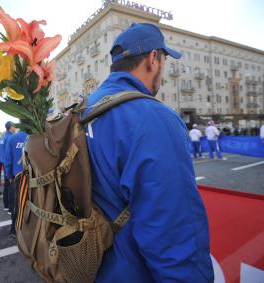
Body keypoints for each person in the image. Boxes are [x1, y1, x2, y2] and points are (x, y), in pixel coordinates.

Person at [83, 23, 213, 282]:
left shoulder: (82, 110)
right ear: (153, 58)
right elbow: (175, 231)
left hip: (90, 267)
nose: (163, 72)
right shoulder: (154, 117)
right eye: (164, 60)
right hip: (133, 272)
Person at [4, 129, 28, 238]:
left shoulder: (13, 138)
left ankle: (14, 229)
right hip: (34, 176)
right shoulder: (37, 135)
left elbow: (8, 159)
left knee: (17, 203)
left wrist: (9, 175)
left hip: (18, 177)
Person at [1, 121, 15, 211]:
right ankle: (10, 208)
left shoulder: (4, 137)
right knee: (11, 187)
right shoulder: (10, 137)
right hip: (9, 165)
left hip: (5, 163)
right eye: (14, 126)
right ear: (10, 127)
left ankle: (6, 205)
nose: (15, 128)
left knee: (7, 186)